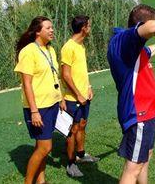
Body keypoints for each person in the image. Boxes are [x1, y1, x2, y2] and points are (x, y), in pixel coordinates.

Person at [107, 4, 155, 183]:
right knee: (133, 168)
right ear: (142, 23)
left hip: (147, 114)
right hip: (138, 113)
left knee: (144, 159)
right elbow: (154, 27)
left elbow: (149, 51)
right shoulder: (124, 40)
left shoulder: (134, 49)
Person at [14, 16, 62, 184]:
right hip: (38, 107)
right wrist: (34, 111)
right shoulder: (28, 51)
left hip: (52, 103)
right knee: (45, 147)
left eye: (52, 27)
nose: (52, 30)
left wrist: (60, 98)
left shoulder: (51, 50)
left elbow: (55, 76)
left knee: (41, 145)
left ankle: (41, 180)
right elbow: (26, 84)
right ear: (37, 31)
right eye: (48, 28)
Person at [60, 15, 99, 178]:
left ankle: (81, 155)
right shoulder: (68, 47)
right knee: (72, 130)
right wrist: (78, 95)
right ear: (83, 27)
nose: (90, 28)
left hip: (84, 97)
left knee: (82, 125)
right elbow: (65, 75)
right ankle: (70, 164)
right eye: (89, 25)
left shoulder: (81, 46)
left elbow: (82, 71)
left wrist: (88, 87)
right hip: (73, 99)